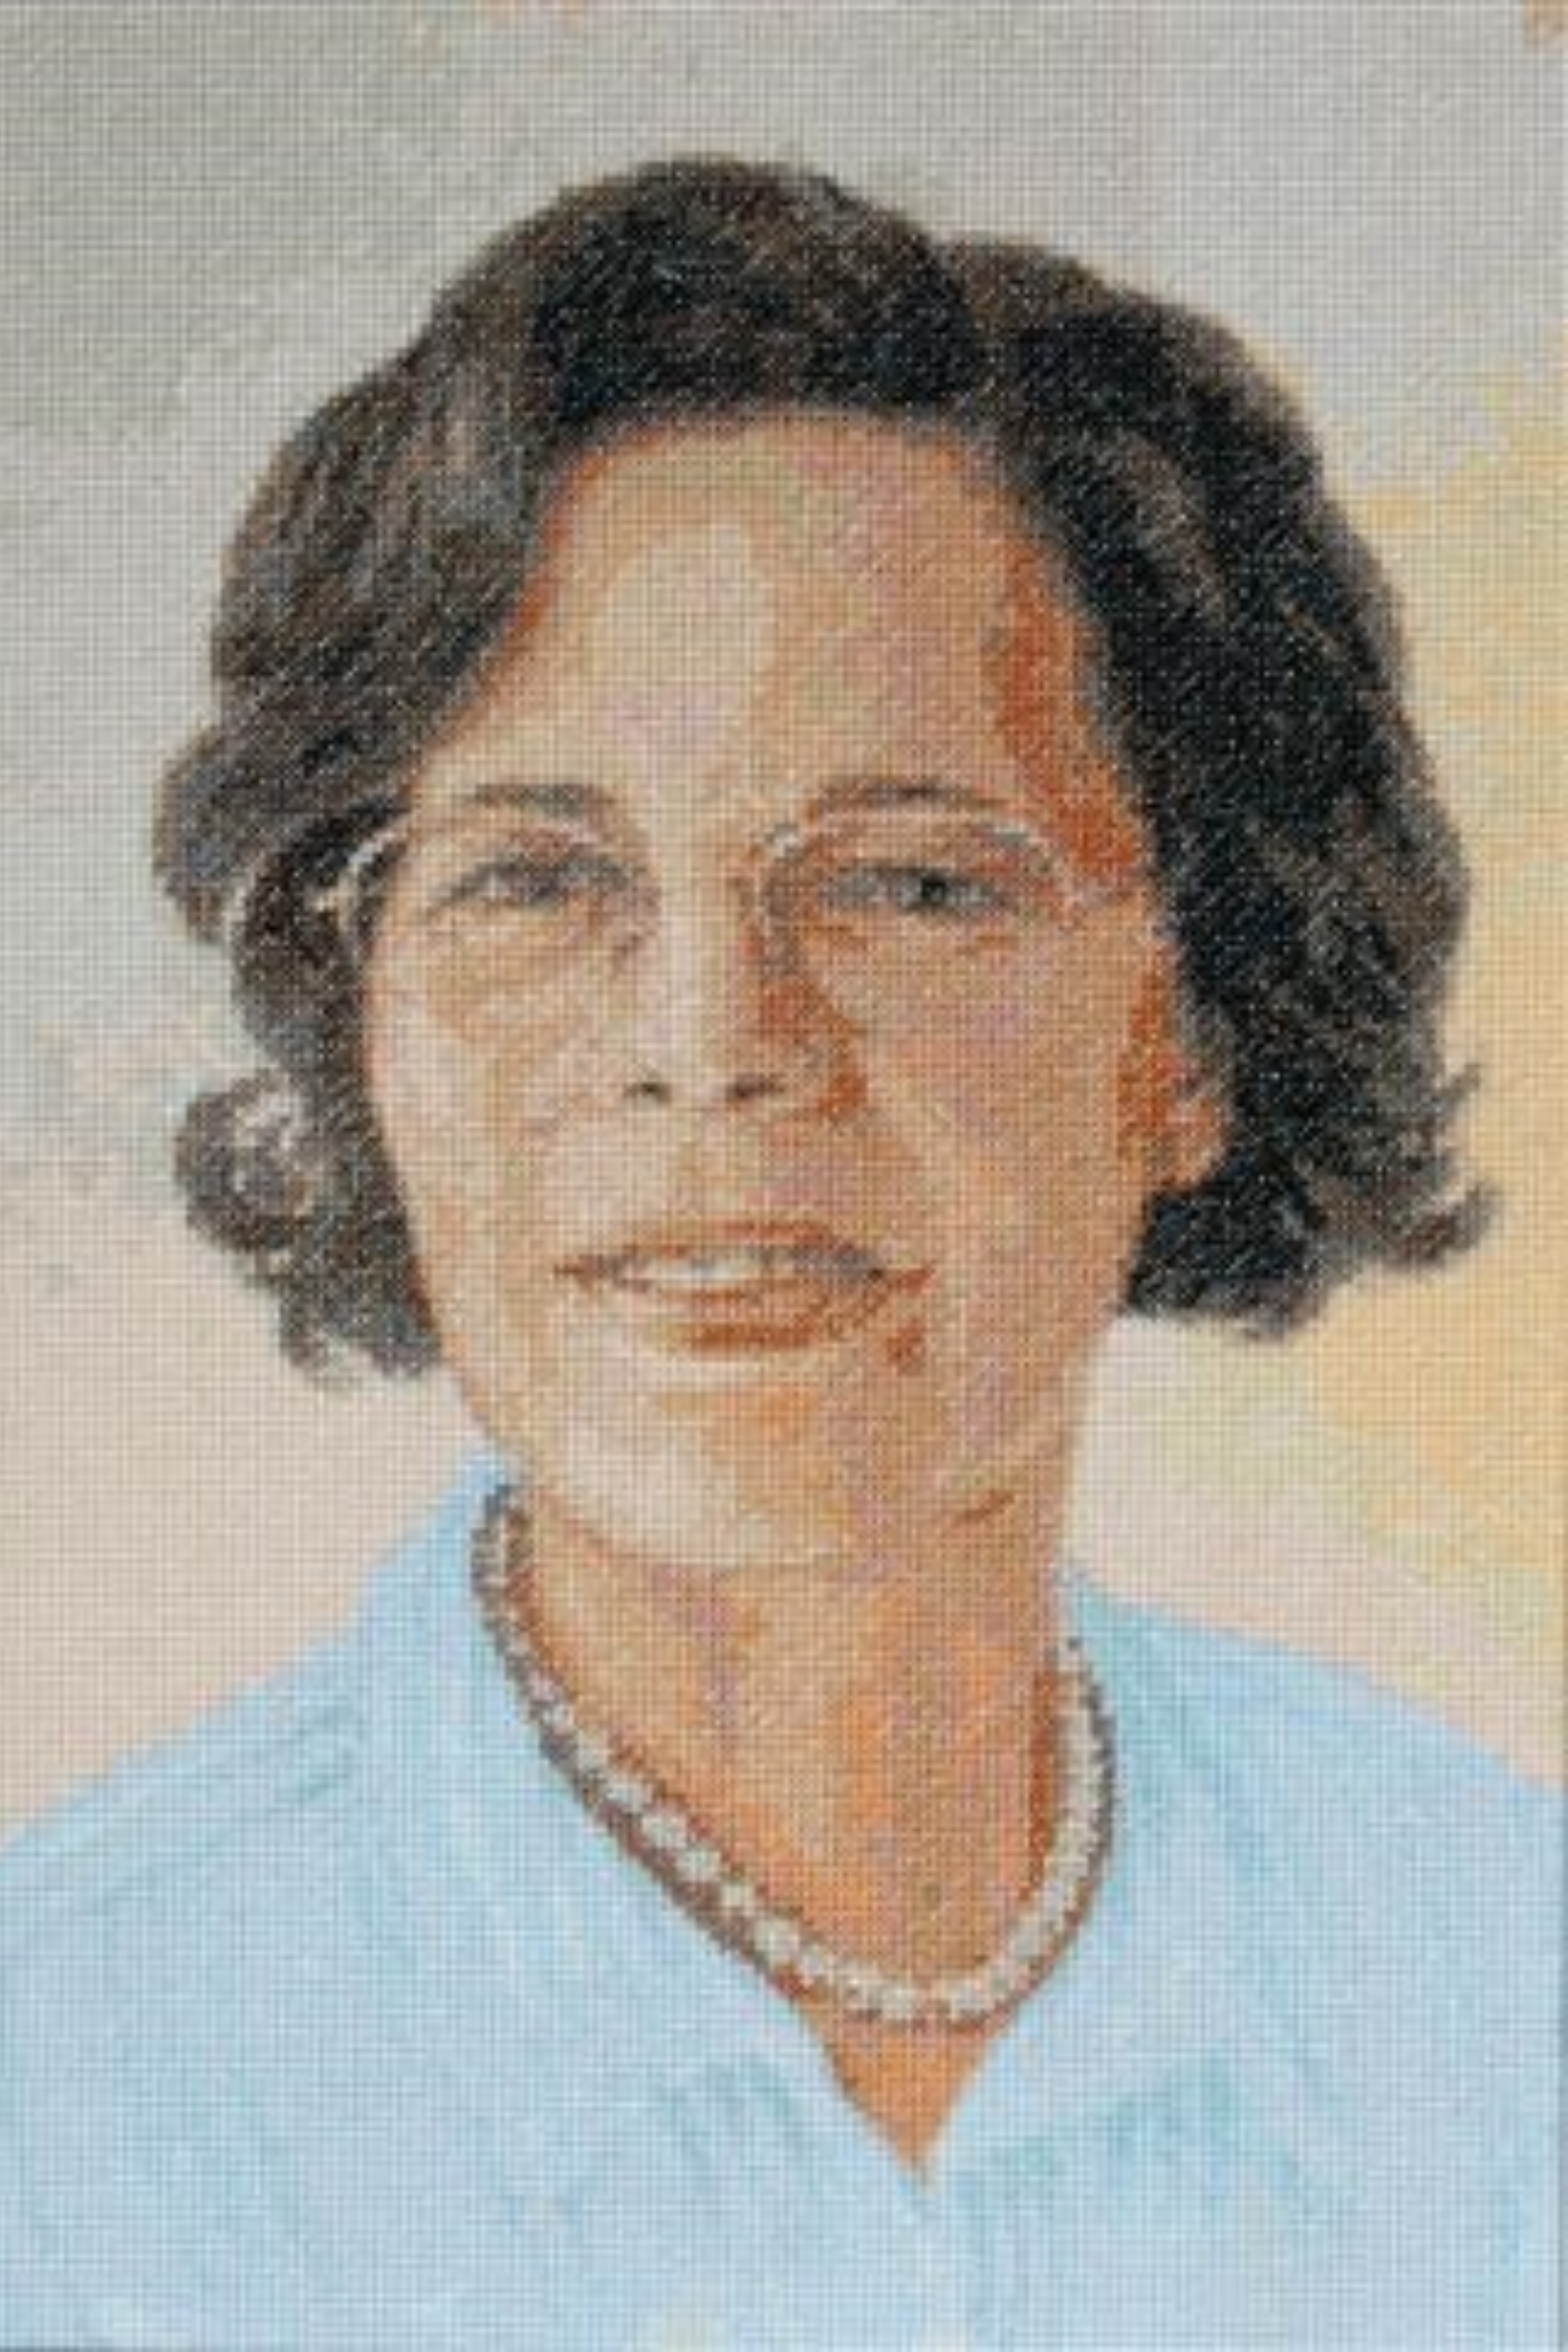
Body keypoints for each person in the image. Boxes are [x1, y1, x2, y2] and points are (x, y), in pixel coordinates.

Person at [0, 157, 1558, 2350]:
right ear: (363, 1024)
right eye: (534, 882)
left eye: (910, 884)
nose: (712, 1043)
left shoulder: (1496, 1966)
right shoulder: (64, 2088)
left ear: (1196, 1036)